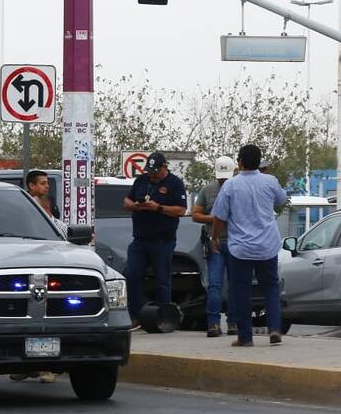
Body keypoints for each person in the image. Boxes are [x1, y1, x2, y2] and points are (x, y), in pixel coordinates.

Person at [210, 144, 289, 347]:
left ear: (240, 162)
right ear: (259, 161)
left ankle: (245, 337)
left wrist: (214, 238)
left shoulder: (230, 185)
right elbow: (281, 200)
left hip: (241, 248)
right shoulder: (270, 181)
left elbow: (219, 217)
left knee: (241, 291)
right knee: (271, 288)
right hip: (267, 246)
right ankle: (274, 329)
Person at [123, 151, 187, 329]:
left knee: (162, 280)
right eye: (150, 170)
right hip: (140, 239)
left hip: (162, 241)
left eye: (156, 171)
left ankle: (163, 317)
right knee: (132, 274)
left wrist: (158, 208)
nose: (152, 174)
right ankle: (136, 315)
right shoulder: (141, 181)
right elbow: (126, 201)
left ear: (165, 167)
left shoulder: (175, 183)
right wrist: (135, 205)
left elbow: (181, 210)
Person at [12, 171, 59, 384]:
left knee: (46, 318)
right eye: (42, 183)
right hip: (28, 264)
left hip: (47, 264)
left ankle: (44, 367)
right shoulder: (23, 207)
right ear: (31, 186)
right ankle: (28, 366)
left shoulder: (48, 204)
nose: (46, 186)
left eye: (47, 183)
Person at [192, 156, 236, 337]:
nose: (223, 180)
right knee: (215, 285)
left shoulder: (239, 188)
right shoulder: (207, 190)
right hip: (215, 242)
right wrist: (216, 218)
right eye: (221, 177)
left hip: (235, 243)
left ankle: (233, 323)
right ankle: (213, 324)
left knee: (234, 285)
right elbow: (195, 214)